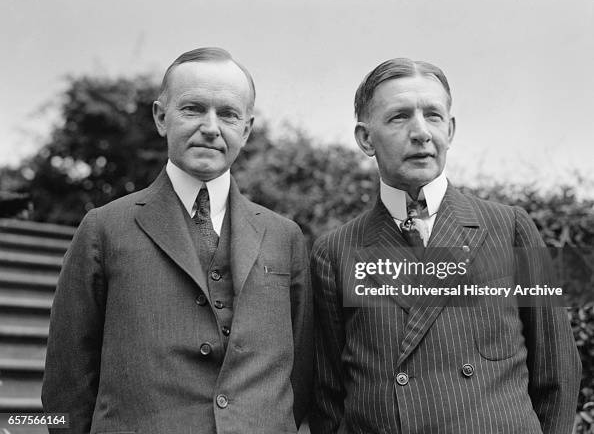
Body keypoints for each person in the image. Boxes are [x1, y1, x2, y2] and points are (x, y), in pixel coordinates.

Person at [42, 47, 313, 433]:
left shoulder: (284, 235)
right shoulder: (104, 227)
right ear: (160, 117)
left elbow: (299, 373)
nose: (210, 127)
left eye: (228, 114)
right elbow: (67, 381)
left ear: (247, 130)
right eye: (193, 108)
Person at [310, 57, 581, 433]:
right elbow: (328, 397)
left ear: (450, 130)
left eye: (433, 116)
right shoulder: (336, 252)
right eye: (399, 117)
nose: (421, 132)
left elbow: (558, 369)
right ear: (365, 138)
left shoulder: (511, 227)